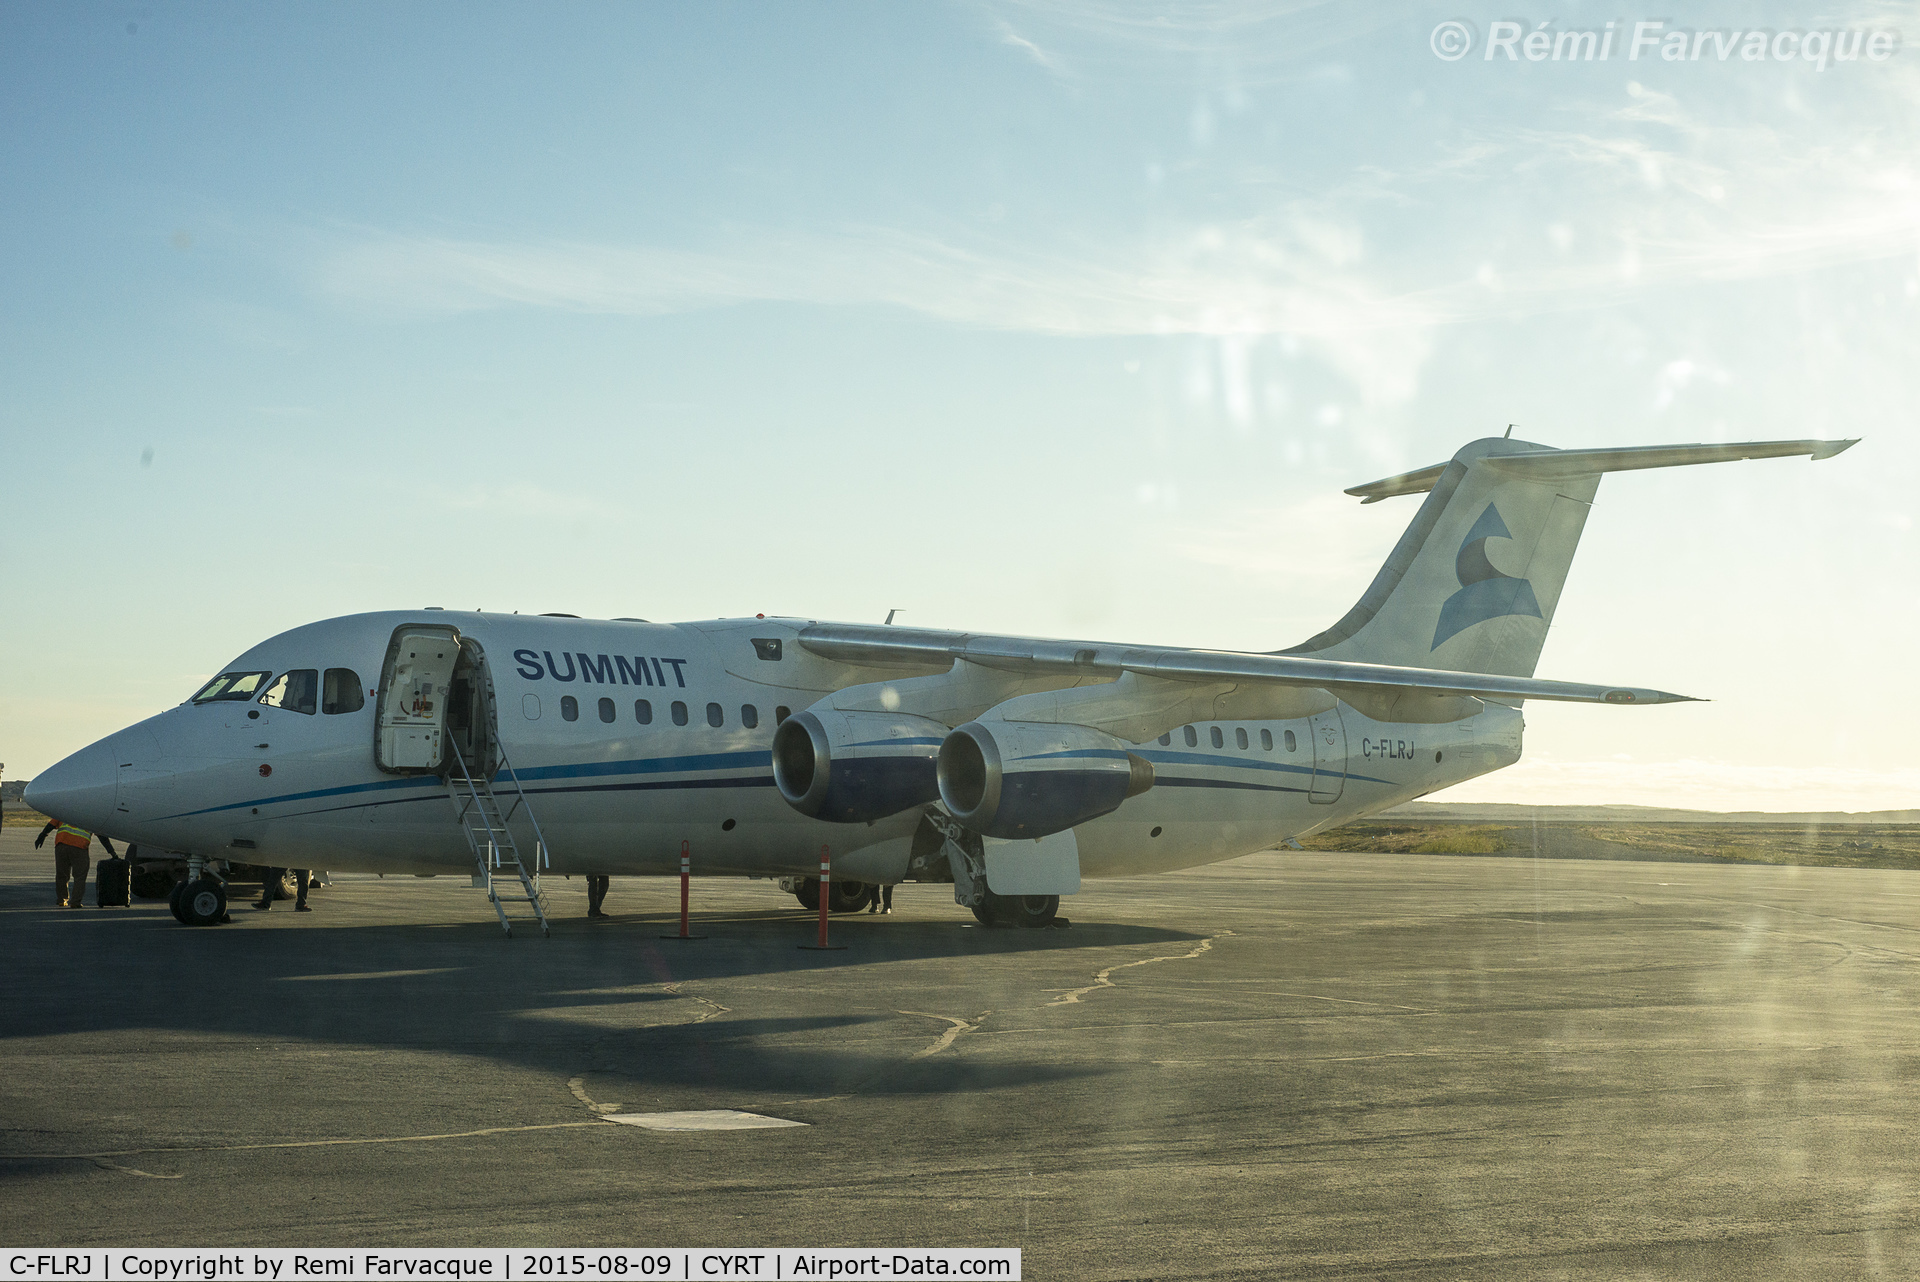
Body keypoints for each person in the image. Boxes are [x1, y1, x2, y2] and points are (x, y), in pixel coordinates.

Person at [34, 819, 116, 908]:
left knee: (62, 874)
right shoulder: (91, 815)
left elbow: (51, 824)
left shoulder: (66, 809)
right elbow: (102, 836)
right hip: (79, 847)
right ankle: (75, 902)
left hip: (61, 845)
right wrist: (112, 852)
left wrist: (42, 835)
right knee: (80, 876)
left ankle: (62, 900)